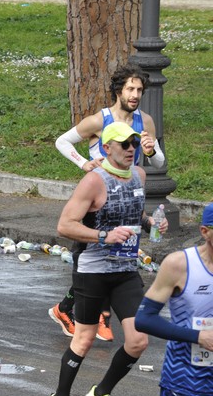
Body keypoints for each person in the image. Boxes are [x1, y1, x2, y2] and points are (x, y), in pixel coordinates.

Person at [50, 63, 166, 342]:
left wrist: (151, 152)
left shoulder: (146, 121)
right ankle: (96, 316)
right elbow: (62, 142)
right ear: (119, 90)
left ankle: (70, 309)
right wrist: (84, 163)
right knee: (94, 258)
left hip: (128, 197)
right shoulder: (99, 120)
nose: (135, 94)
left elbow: (160, 161)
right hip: (99, 197)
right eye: (130, 88)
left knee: (118, 258)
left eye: (139, 89)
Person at [50, 121, 168, 396]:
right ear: (106, 147)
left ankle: (100, 392)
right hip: (92, 271)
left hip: (125, 271)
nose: (131, 149)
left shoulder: (139, 175)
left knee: (138, 341)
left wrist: (152, 223)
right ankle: (61, 394)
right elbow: (65, 225)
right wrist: (104, 236)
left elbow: (131, 214)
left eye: (135, 143)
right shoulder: (93, 181)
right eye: (124, 144)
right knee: (85, 339)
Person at [135, 203, 213, 396]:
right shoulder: (180, 264)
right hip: (186, 382)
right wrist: (198, 337)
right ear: (205, 232)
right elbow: (144, 319)